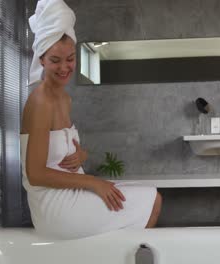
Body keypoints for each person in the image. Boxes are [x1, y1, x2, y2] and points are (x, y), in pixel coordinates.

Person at [20, 0, 162, 240]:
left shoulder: (64, 99)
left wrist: (81, 156)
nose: (64, 67)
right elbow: (35, 174)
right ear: (41, 60)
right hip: (54, 205)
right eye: (55, 60)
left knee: (146, 194)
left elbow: (61, 150)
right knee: (152, 200)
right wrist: (93, 183)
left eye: (70, 58)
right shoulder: (40, 101)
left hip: (72, 190)